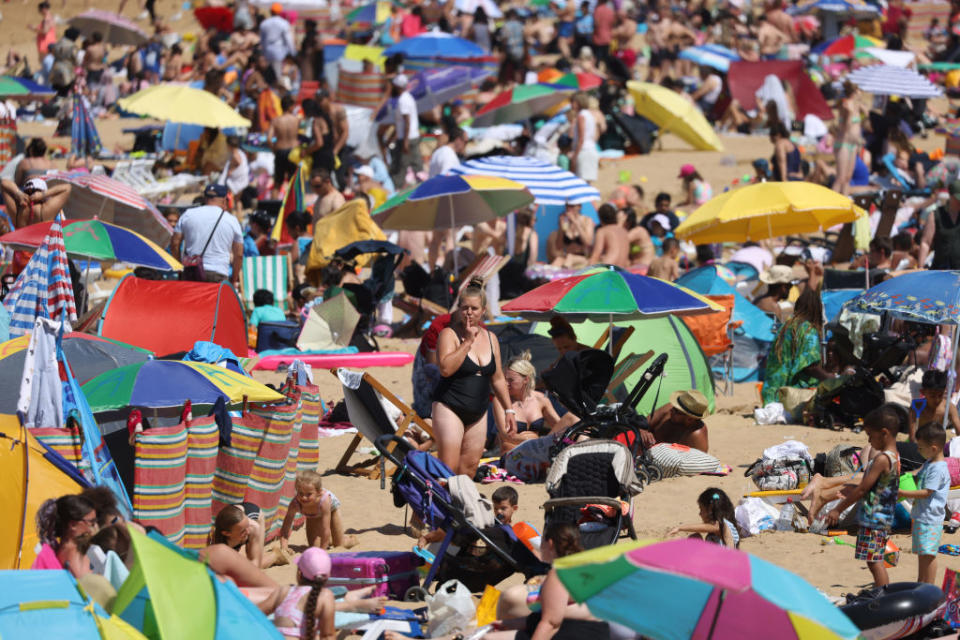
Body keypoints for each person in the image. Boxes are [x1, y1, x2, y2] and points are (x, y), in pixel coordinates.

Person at [433, 279, 516, 478]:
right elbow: (445, 369)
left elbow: (497, 379)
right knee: (448, 469)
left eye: (474, 308)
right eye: (465, 308)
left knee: (469, 469)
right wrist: (467, 342)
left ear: (483, 310)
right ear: (459, 309)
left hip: (478, 411)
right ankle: (438, 507)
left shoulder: (490, 338)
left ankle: (458, 508)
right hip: (450, 406)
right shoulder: (449, 334)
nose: (469, 312)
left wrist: (509, 409)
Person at [824, 405, 901, 588]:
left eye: (870, 435)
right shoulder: (894, 456)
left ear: (884, 433)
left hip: (875, 518)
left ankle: (881, 593)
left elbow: (862, 489)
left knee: (874, 561)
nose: (868, 440)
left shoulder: (882, 459)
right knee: (874, 559)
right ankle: (879, 590)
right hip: (882, 517)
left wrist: (837, 509)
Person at [493, 351, 574, 454]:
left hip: (536, 451)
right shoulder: (500, 400)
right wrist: (536, 441)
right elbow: (505, 435)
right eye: (504, 380)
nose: (506, 384)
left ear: (525, 379)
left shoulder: (541, 399)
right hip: (512, 453)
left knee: (571, 418)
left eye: (510, 380)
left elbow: (560, 427)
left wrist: (569, 441)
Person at [899, 423, 950, 584]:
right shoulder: (929, 463)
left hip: (930, 519)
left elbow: (927, 492)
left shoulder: (938, 469)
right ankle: (921, 581)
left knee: (929, 554)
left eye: (921, 448)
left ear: (934, 448)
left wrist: (903, 493)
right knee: (923, 553)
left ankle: (929, 585)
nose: (918, 451)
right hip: (922, 516)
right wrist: (903, 477)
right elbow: (917, 475)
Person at [762, 289, 831, 405]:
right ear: (817, 310)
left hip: (771, 395)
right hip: (789, 398)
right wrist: (831, 379)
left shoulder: (786, 326)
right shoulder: (808, 330)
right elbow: (810, 366)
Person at [170, 183, 243, 285]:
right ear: (224, 199)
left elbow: (175, 244)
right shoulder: (232, 220)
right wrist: (234, 279)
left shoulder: (187, 215)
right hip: (218, 273)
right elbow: (238, 254)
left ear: (205, 198)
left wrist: (179, 269)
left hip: (191, 272)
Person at [279, 470, 357, 553]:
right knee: (314, 548)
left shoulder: (324, 501)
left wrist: (323, 552)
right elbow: (285, 527)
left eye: (309, 494)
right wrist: (284, 547)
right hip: (312, 515)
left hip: (331, 510)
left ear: (318, 493)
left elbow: (325, 529)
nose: (304, 498)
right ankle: (329, 539)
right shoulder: (295, 504)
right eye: (300, 493)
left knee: (339, 545)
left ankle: (350, 540)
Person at [272, 547, 336, 640]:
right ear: (327, 577)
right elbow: (328, 636)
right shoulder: (325, 596)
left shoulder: (285, 590)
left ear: (299, 574)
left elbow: (256, 611)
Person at [33, 494, 97, 578]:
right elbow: (87, 585)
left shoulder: (64, 549)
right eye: (91, 522)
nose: (95, 526)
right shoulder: (71, 552)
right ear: (73, 525)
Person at [210, 503, 285, 569]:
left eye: (247, 528)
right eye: (243, 531)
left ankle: (275, 555)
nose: (247, 531)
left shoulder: (253, 527)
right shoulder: (217, 534)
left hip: (254, 515)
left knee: (253, 565)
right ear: (226, 533)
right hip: (235, 519)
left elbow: (255, 564)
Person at [668, 488, 740, 548]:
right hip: (714, 558)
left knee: (685, 541)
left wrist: (679, 528)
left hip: (722, 562)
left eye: (701, 509)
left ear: (710, 509)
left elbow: (712, 527)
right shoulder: (718, 529)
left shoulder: (723, 525)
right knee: (695, 537)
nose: (699, 514)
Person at [387, 74, 421, 189]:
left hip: (407, 138)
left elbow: (407, 122)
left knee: (400, 167)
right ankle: (421, 185)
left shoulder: (403, 100)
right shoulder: (408, 98)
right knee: (416, 165)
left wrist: (405, 141)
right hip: (410, 136)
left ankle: (396, 191)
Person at [918, 179, 960, 269]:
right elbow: (926, 242)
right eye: (957, 199)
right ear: (951, 196)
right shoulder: (936, 215)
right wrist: (920, 267)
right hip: (941, 268)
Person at [909, 369, 960, 441]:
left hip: (939, 443)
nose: (937, 400)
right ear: (923, 392)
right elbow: (912, 436)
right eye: (932, 396)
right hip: (921, 443)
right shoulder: (916, 406)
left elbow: (959, 431)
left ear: (945, 391)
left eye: (940, 395)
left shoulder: (949, 407)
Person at [1, 176, 71, 229]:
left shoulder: (17, 212)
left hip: (21, 247)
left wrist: (19, 194)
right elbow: (67, 188)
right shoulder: (45, 210)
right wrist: (43, 194)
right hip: (42, 247)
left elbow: (3, 183)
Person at [493, 486, 542, 557]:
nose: (498, 511)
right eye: (495, 508)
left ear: (514, 508)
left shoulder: (518, 531)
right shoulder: (493, 526)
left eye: (503, 508)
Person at [835, 80, 864, 197]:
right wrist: (851, 114)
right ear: (855, 92)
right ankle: (829, 206)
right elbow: (845, 128)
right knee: (840, 178)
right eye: (859, 90)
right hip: (843, 144)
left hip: (853, 144)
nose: (861, 92)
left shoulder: (856, 105)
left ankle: (845, 205)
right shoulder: (846, 105)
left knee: (847, 178)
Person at [546, 201, 594, 267]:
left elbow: (588, 242)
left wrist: (576, 223)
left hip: (582, 257)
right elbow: (559, 246)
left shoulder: (587, 220)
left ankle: (566, 274)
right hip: (568, 256)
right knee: (558, 260)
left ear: (579, 207)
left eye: (572, 206)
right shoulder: (566, 222)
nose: (569, 209)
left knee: (569, 258)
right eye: (567, 206)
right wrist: (561, 228)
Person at [269, 94, 300, 194]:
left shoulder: (276, 121)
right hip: (293, 152)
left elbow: (269, 139)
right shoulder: (296, 120)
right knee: (294, 183)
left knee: (277, 183)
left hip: (280, 150)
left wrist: (274, 150)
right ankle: (294, 208)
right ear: (290, 106)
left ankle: (272, 209)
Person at [588, 203, 630, 268]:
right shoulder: (624, 231)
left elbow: (595, 255)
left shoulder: (602, 231)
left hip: (609, 268)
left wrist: (586, 273)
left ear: (600, 218)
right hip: (622, 269)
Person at [259, 2, 296, 76]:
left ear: (270, 11)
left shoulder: (264, 23)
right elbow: (288, 40)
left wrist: (263, 52)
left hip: (268, 51)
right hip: (279, 51)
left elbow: (262, 40)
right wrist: (293, 52)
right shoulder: (284, 23)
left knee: (269, 73)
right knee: (278, 73)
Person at [570, 92, 599, 183]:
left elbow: (581, 138)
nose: (571, 105)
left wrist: (575, 155)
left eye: (573, 102)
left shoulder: (581, 116)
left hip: (584, 151)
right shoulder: (590, 115)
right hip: (592, 149)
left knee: (580, 183)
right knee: (587, 184)